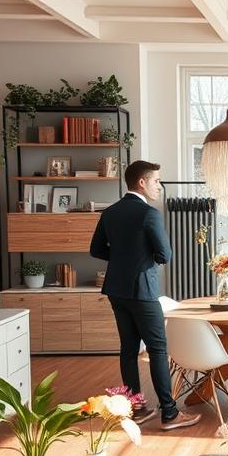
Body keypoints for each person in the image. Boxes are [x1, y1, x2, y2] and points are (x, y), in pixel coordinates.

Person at [89, 160, 199, 430]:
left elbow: (96, 249)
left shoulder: (111, 212)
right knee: (158, 349)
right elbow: (165, 255)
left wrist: (122, 259)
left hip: (116, 290)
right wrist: (139, 258)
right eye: (156, 181)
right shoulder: (149, 214)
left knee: (128, 349)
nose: (159, 186)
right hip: (143, 291)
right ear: (142, 182)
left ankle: (136, 408)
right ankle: (170, 414)